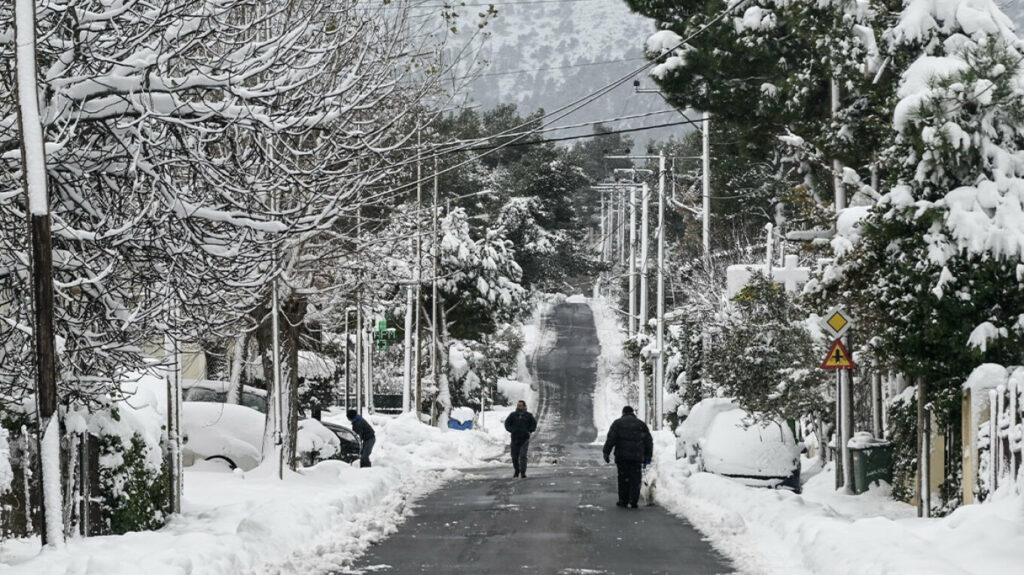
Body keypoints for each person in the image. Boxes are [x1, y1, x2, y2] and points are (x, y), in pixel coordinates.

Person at [602, 406, 653, 508]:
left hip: (622, 458)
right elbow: (648, 442)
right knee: (635, 479)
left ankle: (623, 501)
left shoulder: (617, 423)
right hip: (636, 458)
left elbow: (611, 439)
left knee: (623, 479)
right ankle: (633, 500)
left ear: (623, 413)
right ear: (633, 413)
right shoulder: (641, 424)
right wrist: (648, 457)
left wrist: (606, 453)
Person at [503, 400, 537, 478]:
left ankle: (523, 472)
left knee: (523, 455)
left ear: (524, 406)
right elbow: (507, 424)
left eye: (521, 405)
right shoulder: (513, 415)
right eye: (518, 405)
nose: (519, 407)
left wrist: (529, 430)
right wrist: (512, 430)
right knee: (514, 456)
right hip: (515, 438)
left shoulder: (528, 416)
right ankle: (516, 470)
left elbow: (533, 424)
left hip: (524, 439)